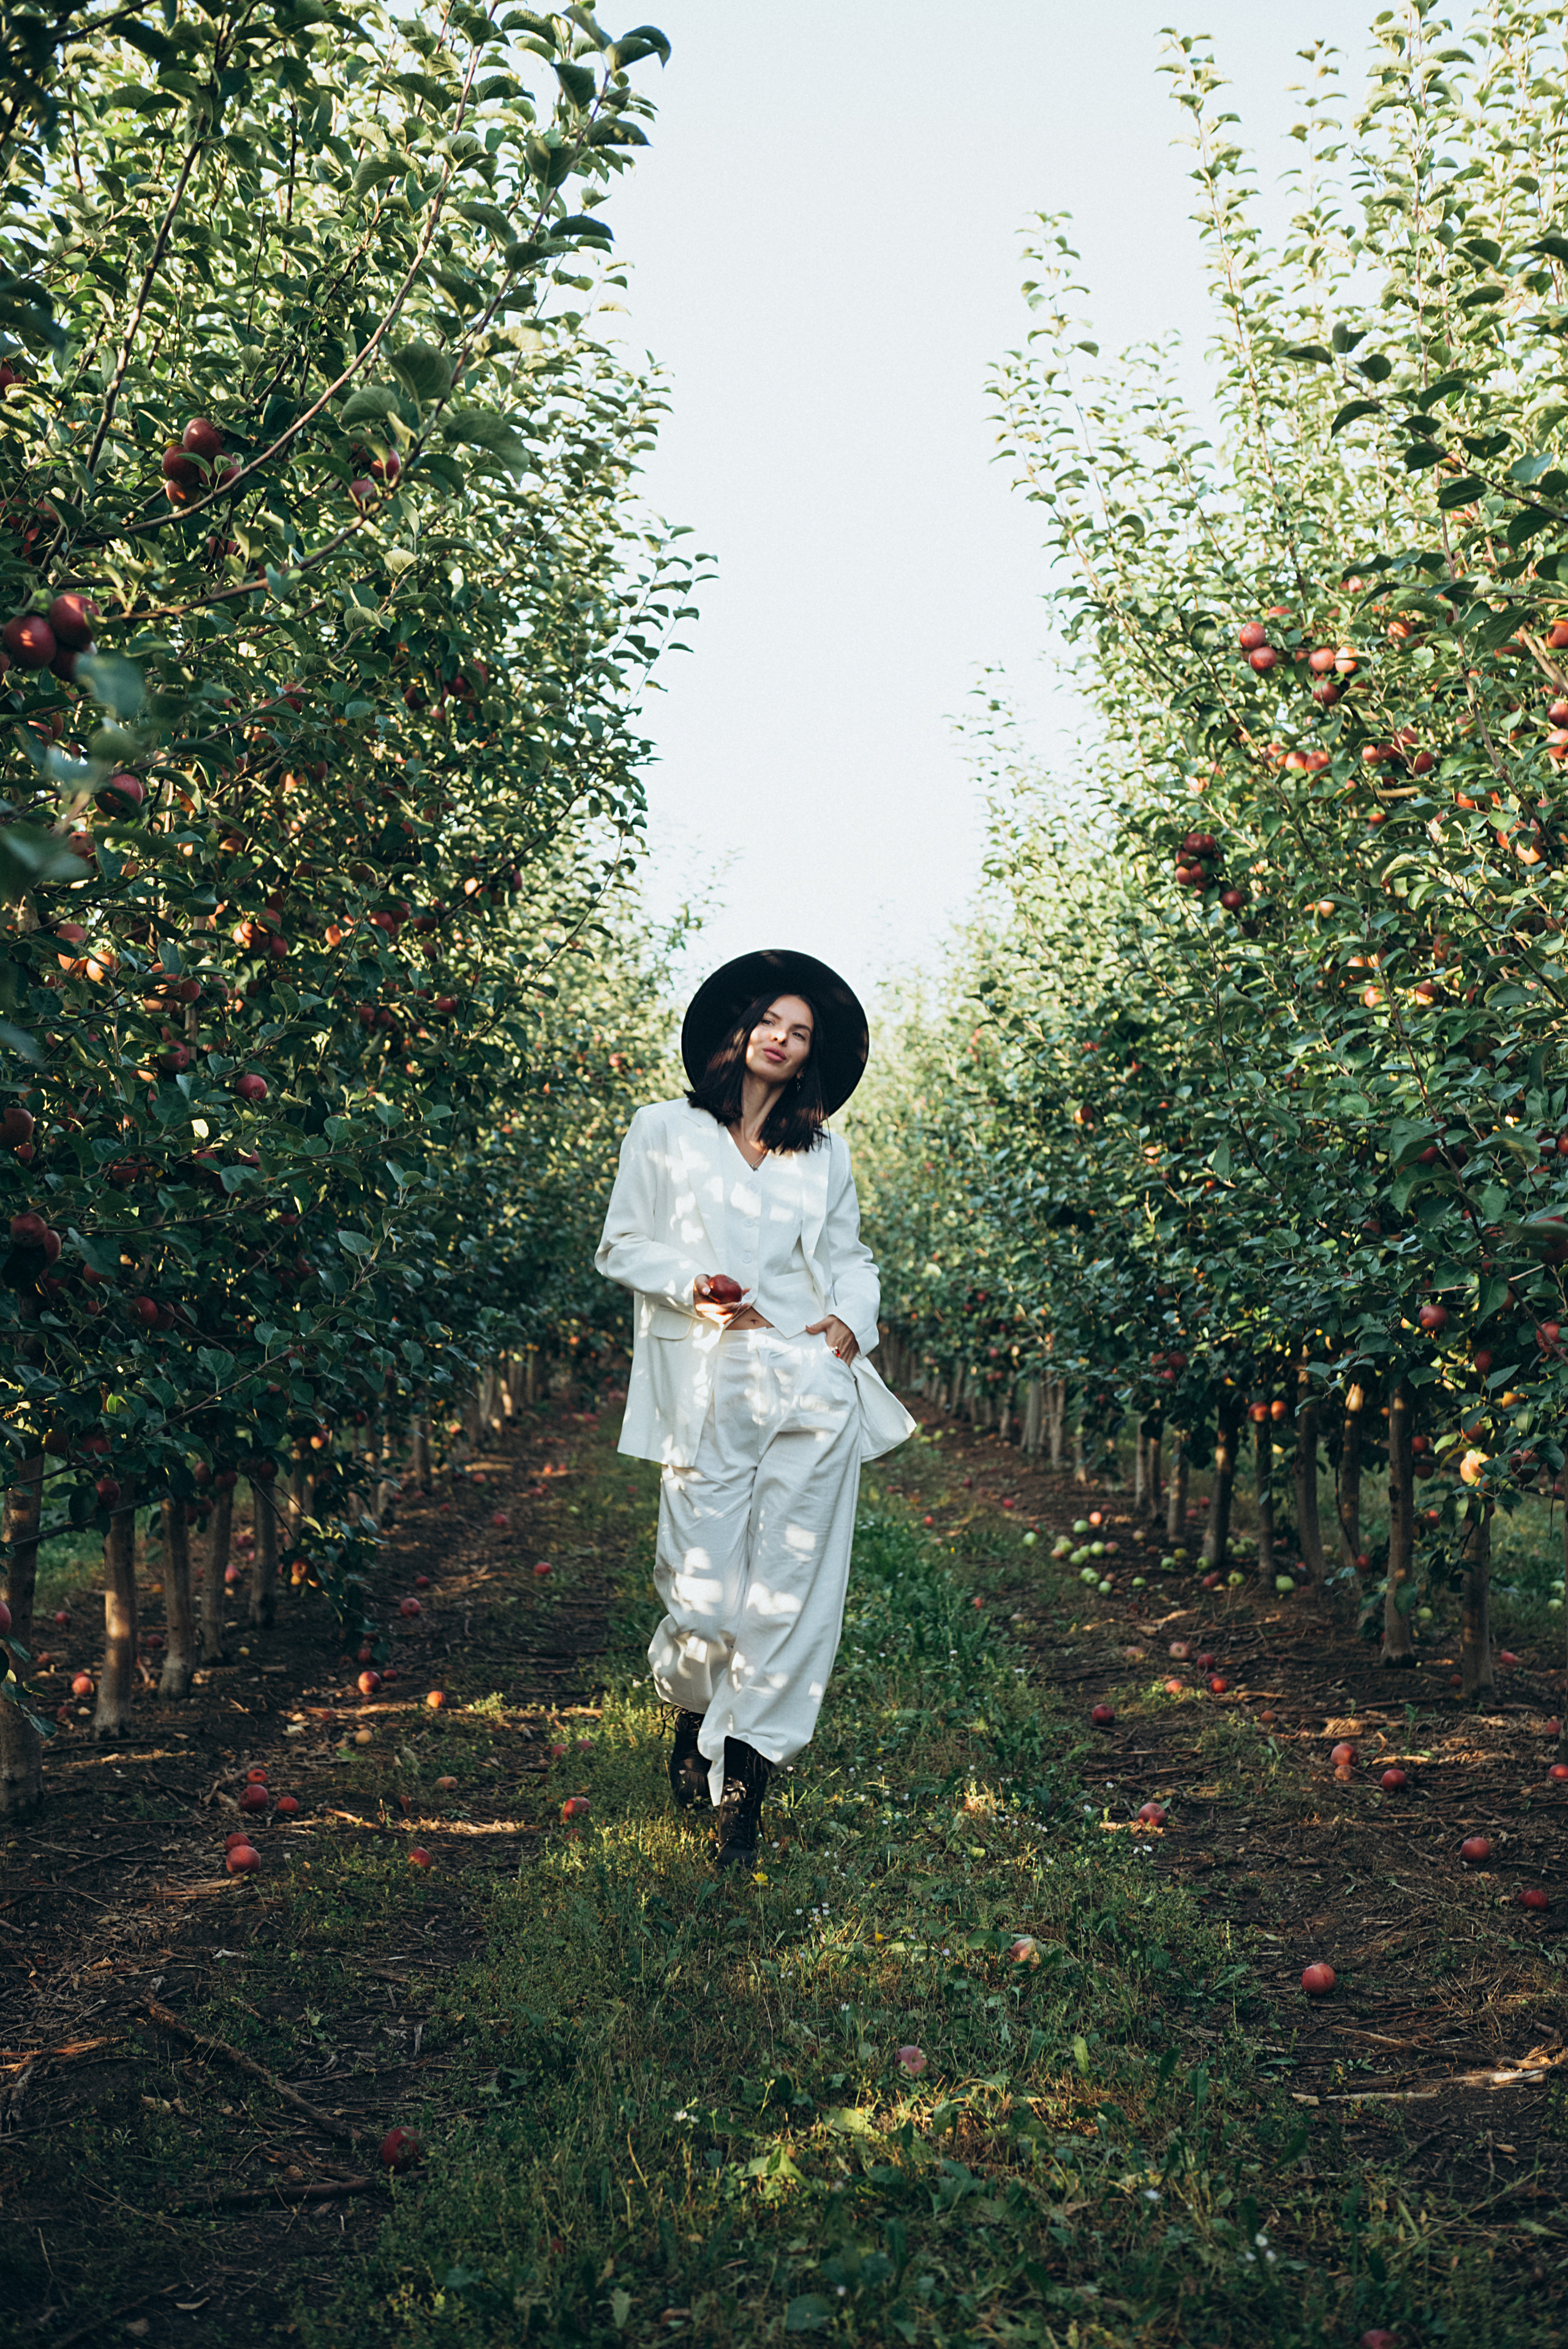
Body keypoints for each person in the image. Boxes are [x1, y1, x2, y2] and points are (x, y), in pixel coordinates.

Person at [595, 948, 916, 1869]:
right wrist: (687, 1283)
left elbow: (850, 1260)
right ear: (737, 1033)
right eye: (770, 1020)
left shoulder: (824, 1155)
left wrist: (852, 1322)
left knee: (792, 1596)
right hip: (708, 1381)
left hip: (808, 1383)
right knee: (704, 1597)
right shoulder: (662, 1131)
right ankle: (694, 1705)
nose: (781, 1038)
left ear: (813, 1058)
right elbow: (621, 1245)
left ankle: (745, 1790)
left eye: (801, 1031)